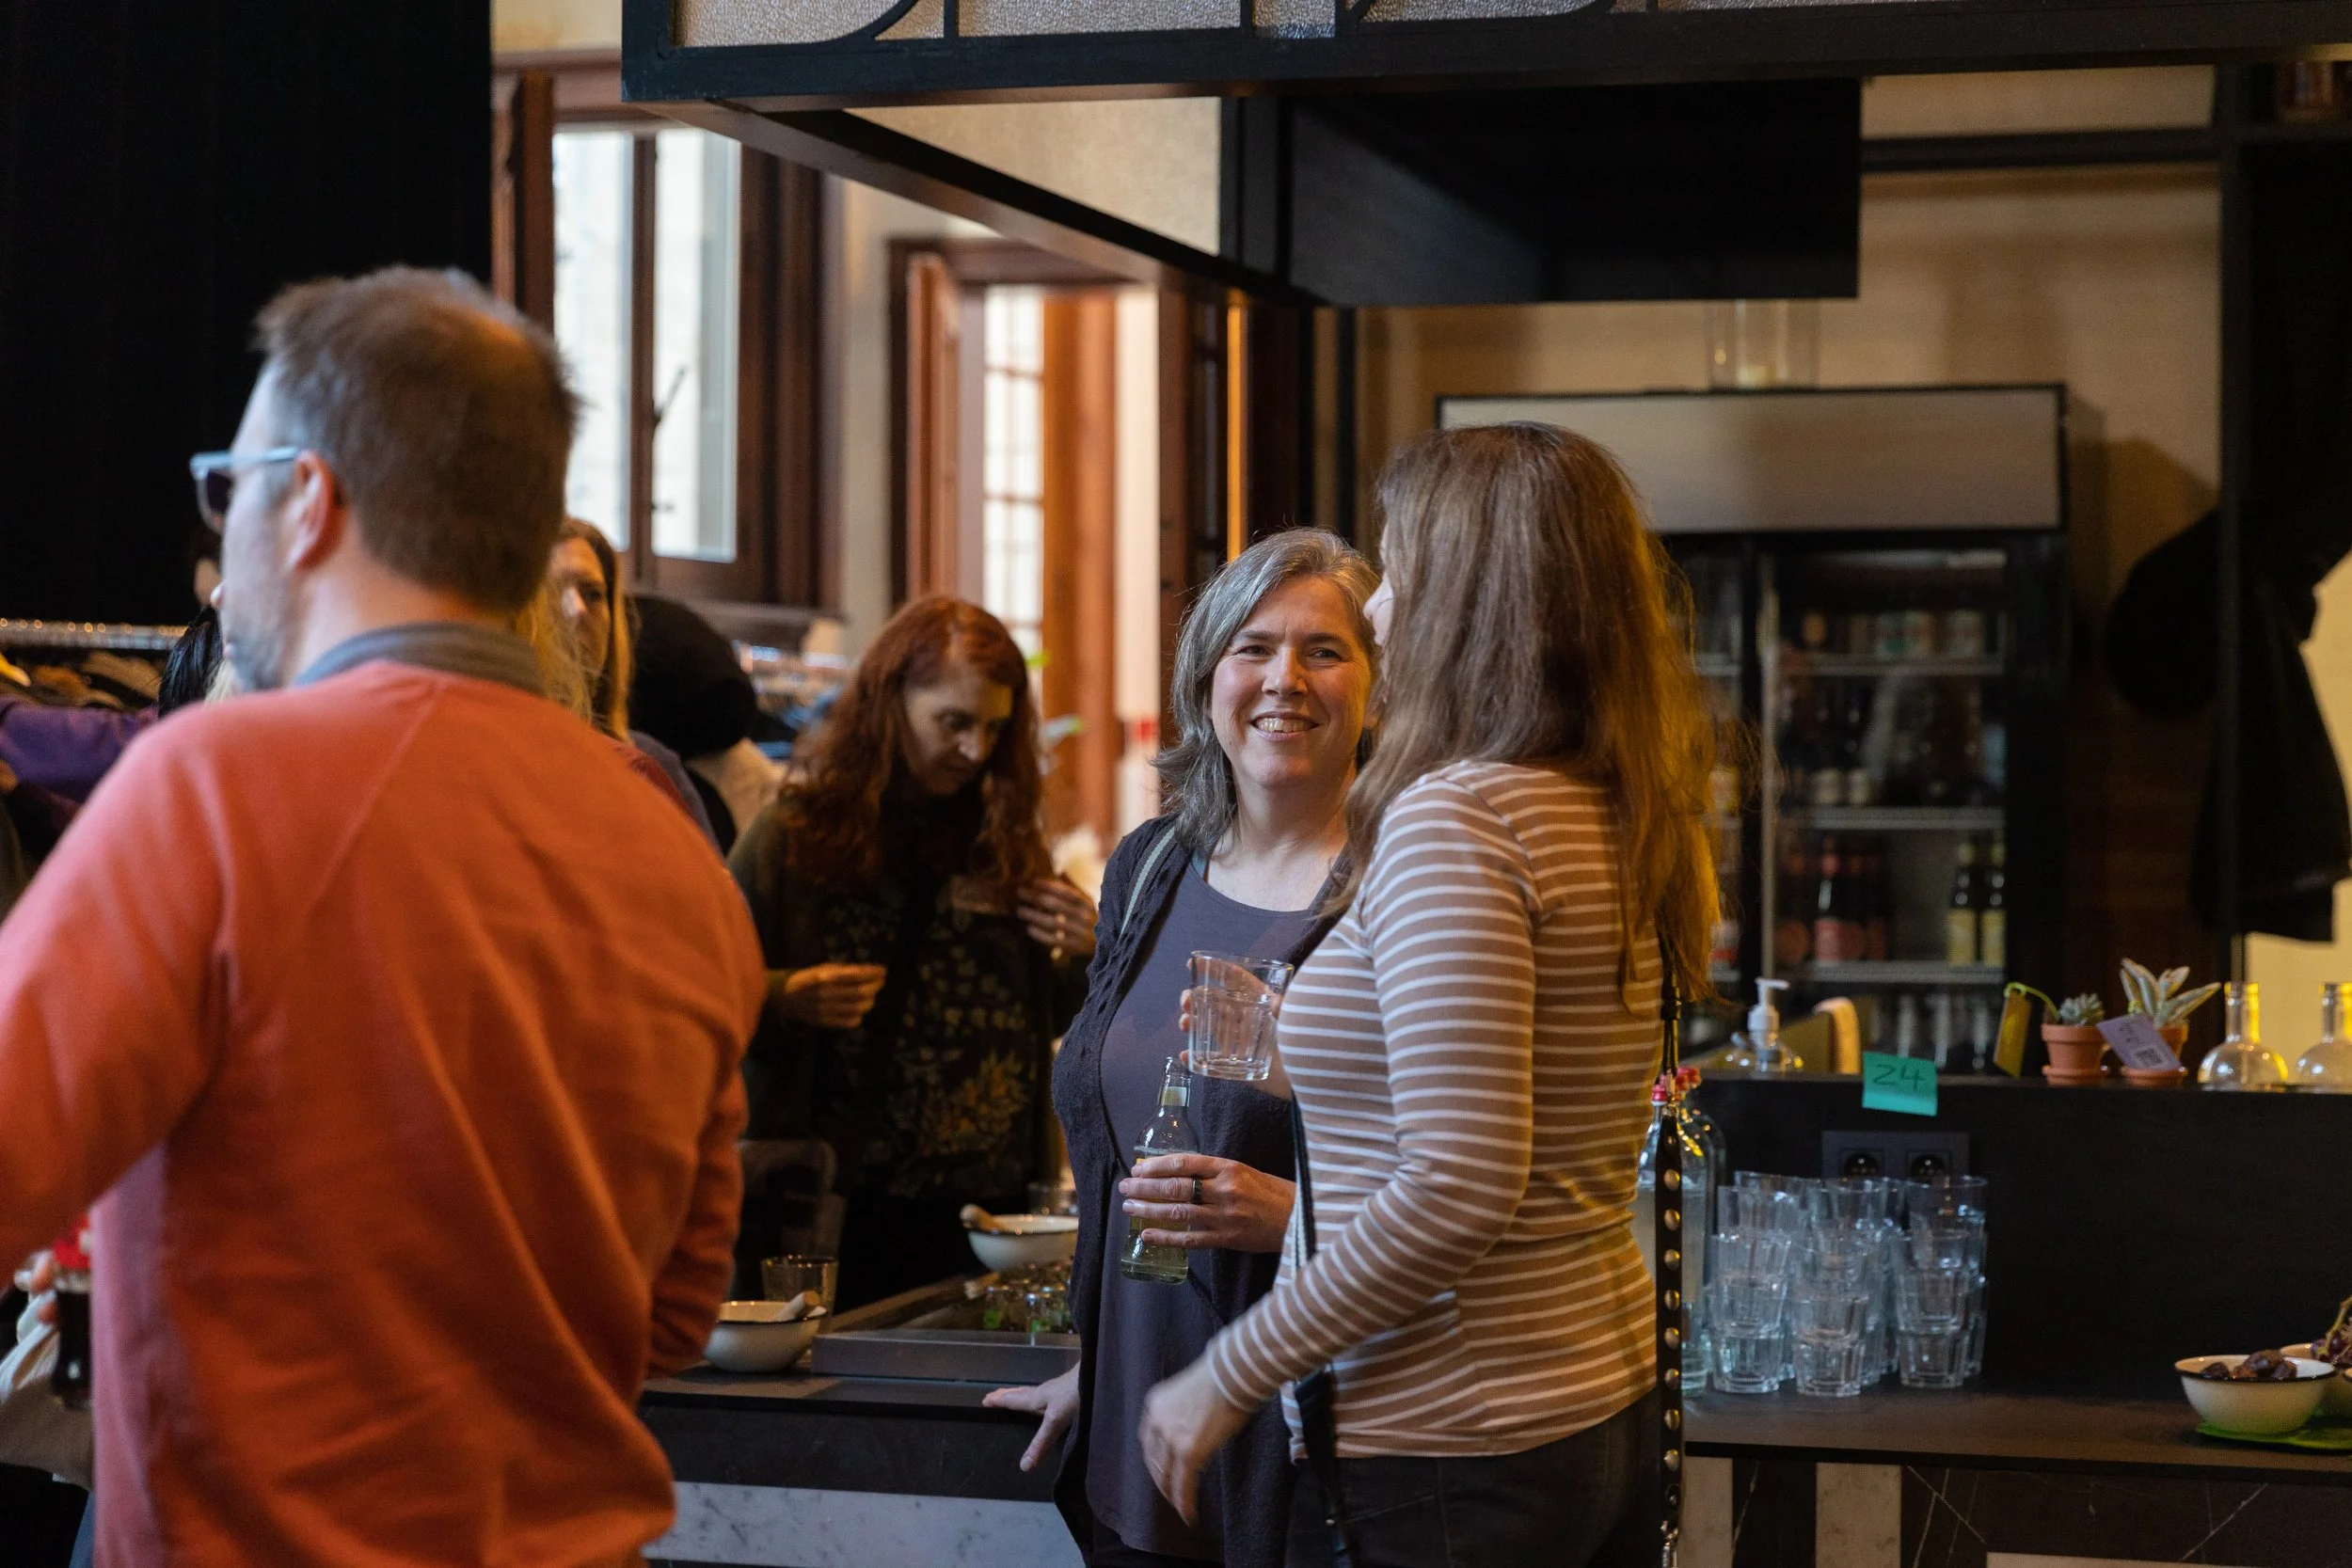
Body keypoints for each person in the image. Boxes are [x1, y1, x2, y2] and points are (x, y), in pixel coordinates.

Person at [0, 265, 767, 1565]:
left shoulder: (212, 789)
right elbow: (677, 1312)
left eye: (229, 487)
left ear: (308, 498)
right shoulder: (671, 851)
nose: (222, 551)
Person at [1138, 422, 1720, 1568]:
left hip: (1450, 1441)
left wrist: (1226, 1372)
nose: (1380, 604)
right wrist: (1296, 1048)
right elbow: (1520, 1096)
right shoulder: (1601, 802)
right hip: (1587, 1407)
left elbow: (1458, 1186)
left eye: (1401, 568)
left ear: (1468, 598)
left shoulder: (1459, 816)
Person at [985, 531, 1378, 1568]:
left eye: (1324, 651)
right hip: (1135, 1444)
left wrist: (1291, 1216)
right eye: (1253, 647)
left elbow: (1471, 1181)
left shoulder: (1399, 889)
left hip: (1310, 1453)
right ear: (1208, 678)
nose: (1284, 679)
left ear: (1378, 689)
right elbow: (1123, 1136)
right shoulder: (1150, 864)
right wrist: (1102, 1362)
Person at [729, 595, 1099, 1307]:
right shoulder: (792, 838)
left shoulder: (1004, 840)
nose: (976, 750)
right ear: (889, 704)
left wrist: (1091, 950)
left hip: (994, 1215)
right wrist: (785, 996)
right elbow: (702, 996)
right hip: (840, 1210)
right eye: (953, 722)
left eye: (994, 727)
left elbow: (1048, 1017)